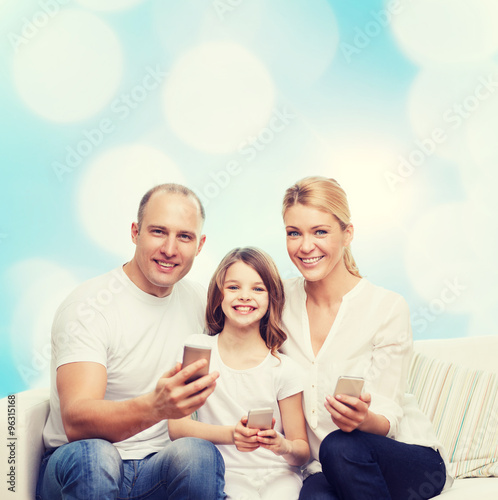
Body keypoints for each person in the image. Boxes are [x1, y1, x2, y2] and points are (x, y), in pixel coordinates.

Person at [36, 183, 226, 500]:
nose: (169, 249)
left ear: (200, 244)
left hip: (154, 470)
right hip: (80, 467)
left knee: (197, 454)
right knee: (96, 456)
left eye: (184, 236)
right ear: (135, 232)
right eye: (158, 232)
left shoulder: (197, 300)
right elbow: (77, 421)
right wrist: (155, 407)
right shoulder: (89, 306)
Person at [280, 176, 452, 500]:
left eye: (320, 231)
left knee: (340, 445)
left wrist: (364, 418)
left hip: (405, 458)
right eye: (294, 233)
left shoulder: (386, 307)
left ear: (347, 234)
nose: (305, 246)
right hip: (326, 467)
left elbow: (389, 415)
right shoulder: (277, 301)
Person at [168, 247, 310, 499]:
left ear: (271, 299)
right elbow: (177, 427)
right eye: (234, 287)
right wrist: (232, 436)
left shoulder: (285, 369)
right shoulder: (199, 350)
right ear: (218, 295)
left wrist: (282, 444)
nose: (245, 296)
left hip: (279, 473)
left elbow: (300, 450)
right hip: (226, 473)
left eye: (258, 289)